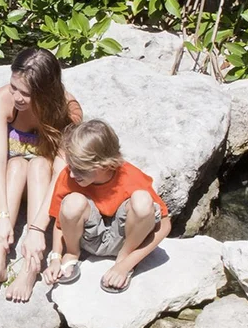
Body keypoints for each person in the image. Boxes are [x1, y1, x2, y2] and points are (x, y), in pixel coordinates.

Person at [0, 47, 83, 301]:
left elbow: (60, 172)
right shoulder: (1, 100)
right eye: (14, 87)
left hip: (44, 186)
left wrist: (36, 229)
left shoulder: (69, 111)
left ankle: (31, 265)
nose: (17, 97)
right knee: (17, 165)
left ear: (46, 93)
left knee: (38, 165)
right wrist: (0, 216)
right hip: (12, 182)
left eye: (26, 93)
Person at [40, 119, 171, 293]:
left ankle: (122, 261)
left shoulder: (130, 176)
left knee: (142, 201)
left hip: (126, 240)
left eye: (80, 169)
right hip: (87, 239)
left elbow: (165, 225)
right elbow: (59, 220)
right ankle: (72, 255)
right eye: (70, 166)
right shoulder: (70, 175)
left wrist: (127, 263)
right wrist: (56, 256)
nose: (71, 174)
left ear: (105, 165)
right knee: (72, 203)